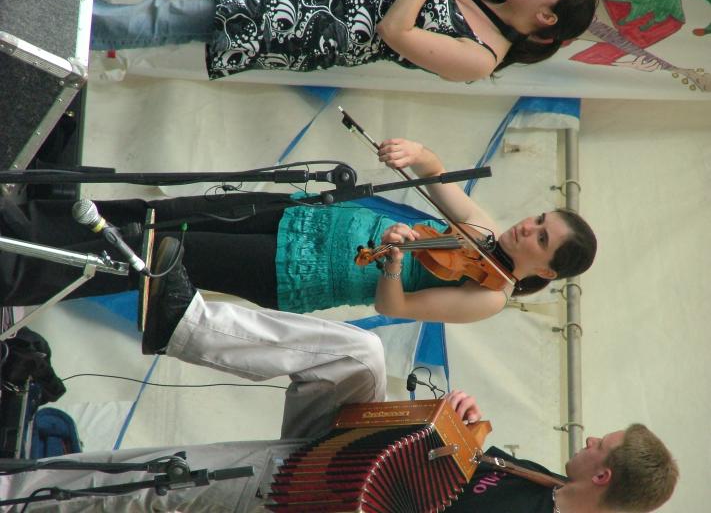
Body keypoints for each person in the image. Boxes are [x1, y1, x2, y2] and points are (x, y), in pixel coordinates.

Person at [0, 239, 678, 511]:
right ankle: (184, 323)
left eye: (602, 445)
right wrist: (458, 428)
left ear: (604, 476)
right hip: (339, 461)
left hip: (311, 502)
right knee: (361, 356)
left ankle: (15, 494)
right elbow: (444, 470)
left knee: (145, 488)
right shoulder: (540, 480)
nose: (591, 439)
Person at [0, 138, 596, 324]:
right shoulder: (482, 231)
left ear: (546, 270)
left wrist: (394, 261)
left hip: (298, 272)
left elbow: (394, 306)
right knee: (162, 212)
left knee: (153, 253)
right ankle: (28, 223)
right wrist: (417, 154)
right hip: (302, 216)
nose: (528, 229)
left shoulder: (490, 297)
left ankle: (18, 270)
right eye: (539, 220)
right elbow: (437, 177)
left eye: (541, 240)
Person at [91, 0, 599, 82]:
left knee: (165, 18)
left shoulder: (481, 56)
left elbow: (396, 31)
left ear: (546, 17)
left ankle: (64, 25)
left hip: (309, 23)